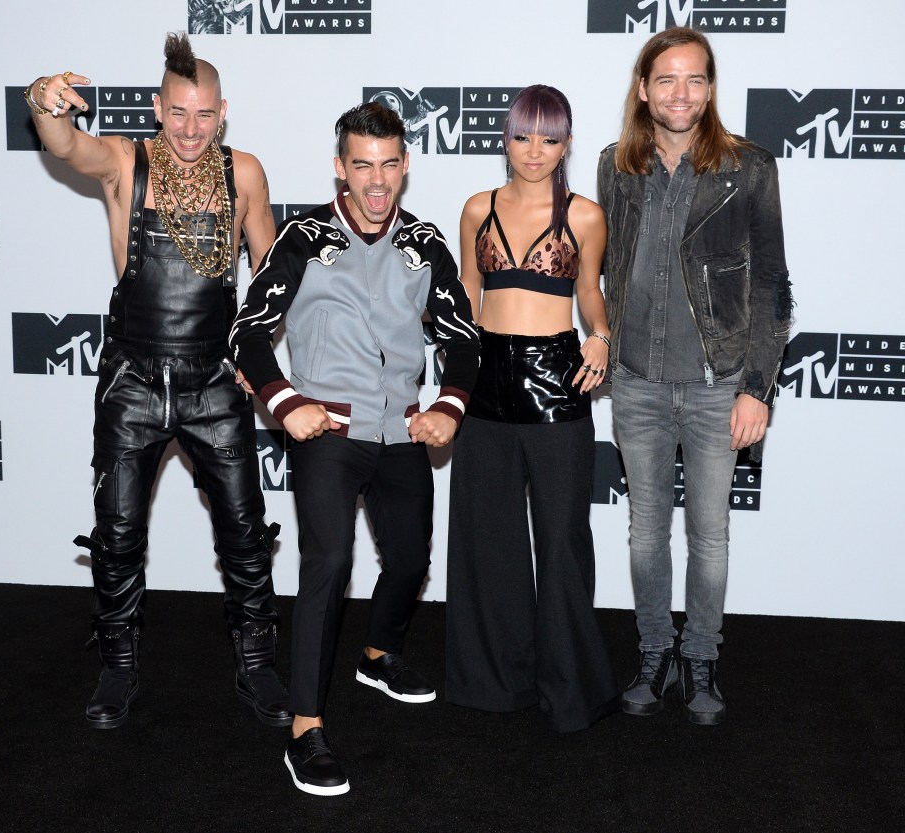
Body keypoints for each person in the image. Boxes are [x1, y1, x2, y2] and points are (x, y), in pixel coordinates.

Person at [24, 33, 291, 730]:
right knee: (116, 534)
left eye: (204, 114)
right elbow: (65, 145)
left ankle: (258, 661)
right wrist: (45, 103)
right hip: (132, 381)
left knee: (244, 531)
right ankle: (117, 663)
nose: (191, 129)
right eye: (178, 112)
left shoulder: (245, 172)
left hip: (215, 382)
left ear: (223, 112)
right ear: (156, 107)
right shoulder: (124, 160)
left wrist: (259, 359)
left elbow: (270, 276)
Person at [230, 102, 480, 796]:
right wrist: (286, 402)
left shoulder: (425, 242)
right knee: (329, 564)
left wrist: (450, 405)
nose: (376, 181)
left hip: (402, 430)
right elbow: (248, 331)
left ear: (405, 165)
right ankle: (304, 727)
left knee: (410, 559)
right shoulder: (304, 237)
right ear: (340, 167)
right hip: (328, 433)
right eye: (362, 165)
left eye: (388, 164)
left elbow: (463, 337)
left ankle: (377, 653)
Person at [598, 27, 793, 725]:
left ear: (709, 90)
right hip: (637, 382)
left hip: (718, 384)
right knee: (646, 533)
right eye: (666, 79)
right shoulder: (615, 166)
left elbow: (771, 284)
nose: (680, 93)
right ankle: (655, 653)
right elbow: (605, 270)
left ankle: (701, 656)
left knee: (709, 535)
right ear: (643, 89)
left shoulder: (749, 167)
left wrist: (757, 388)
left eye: (694, 79)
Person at [444, 85, 621, 733]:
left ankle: (571, 690)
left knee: (562, 540)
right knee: (488, 538)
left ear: (566, 144)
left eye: (549, 138)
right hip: (485, 382)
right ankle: (493, 683)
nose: (535, 150)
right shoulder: (477, 208)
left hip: (556, 380)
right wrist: (451, 366)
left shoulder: (586, 216)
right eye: (523, 136)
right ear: (506, 140)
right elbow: (467, 291)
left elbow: (590, 291)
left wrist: (601, 335)